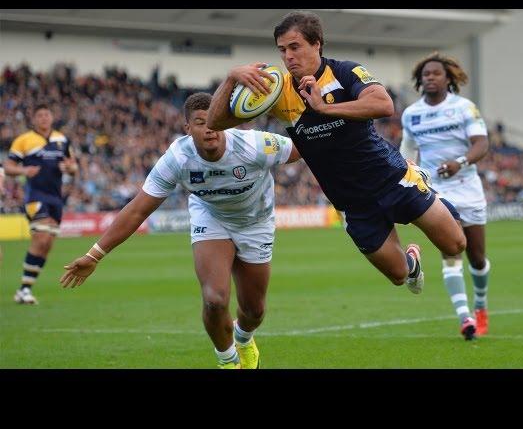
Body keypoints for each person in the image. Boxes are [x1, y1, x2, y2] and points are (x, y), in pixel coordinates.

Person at [207, 11, 467, 328]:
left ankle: (432, 196)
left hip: (393, 180)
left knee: (455, 245)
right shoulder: (277, 90)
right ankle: (413, 261)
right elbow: (215, 122)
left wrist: (325, 107)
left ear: (317, 44)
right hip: (353, 204)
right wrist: (231, 78)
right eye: (282, 50)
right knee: (400, 276)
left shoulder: (345, 72)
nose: (288, 56)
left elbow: (384, 105)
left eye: (295, 47)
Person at [60, 93, 301, 369]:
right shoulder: (177, 157)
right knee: (214, 298)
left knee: (254, 310)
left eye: (215, 121)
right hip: (211, 217)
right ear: (188, 128)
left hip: (256, 223)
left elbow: (305, 148)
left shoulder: (255, 144)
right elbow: (138, 209)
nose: (209, 128)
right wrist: (94, 255)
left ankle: (244, 339)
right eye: (200, 122)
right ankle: (228, 361)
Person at [400, 52, 491, 339]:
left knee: (476, 258)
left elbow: (482, 143)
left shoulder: (464, 108)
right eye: (425, 74)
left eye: (436, 73)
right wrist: (406, 173)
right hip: (436, 191)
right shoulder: (412, 114)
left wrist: (460, 163)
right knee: (451, 252)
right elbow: (407, 153)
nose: (430, 77)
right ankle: (465, 319)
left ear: (448, 78)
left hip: (467, 187)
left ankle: (480, 306)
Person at [4, 103, 78, 305]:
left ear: (52, 118)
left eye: (47, 115)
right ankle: (24, 290)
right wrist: (23, 171)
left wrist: (69, 168)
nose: (44, 118)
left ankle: (24, 290)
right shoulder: (24, 140)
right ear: (34, 119)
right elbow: (8, 166)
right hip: (35, 195)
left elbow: (73, 167)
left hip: (56, 198)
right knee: (41, 236)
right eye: (40, 115)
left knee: (47, 243)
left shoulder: (62, 139)